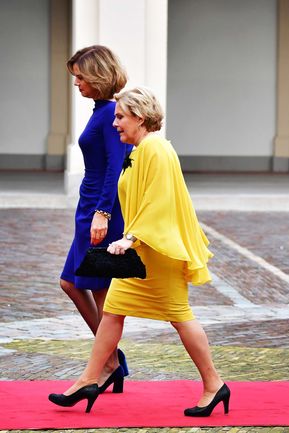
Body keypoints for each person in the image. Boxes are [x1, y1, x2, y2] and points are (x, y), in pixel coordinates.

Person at [48, 87, 228, 417]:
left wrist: (130, 238)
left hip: (159, 253)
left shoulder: (155, 149)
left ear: (139, 118)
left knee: (179, 316)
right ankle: (88, 379)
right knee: (112, 311)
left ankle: (214, 384)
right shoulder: (140, 149)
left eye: (120, 117)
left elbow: (159, 201)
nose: (114, 123)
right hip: (144, 251)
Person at [60, 45, 132, 393]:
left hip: (102, 211)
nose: (76, 83)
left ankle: (109, 365)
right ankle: (112, 360)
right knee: (71, 283)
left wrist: (102, 214)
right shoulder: (101, 110)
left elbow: (116, 167)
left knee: (103, 293)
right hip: (89, 206)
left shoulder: (111, 114)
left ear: (97, 76)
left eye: (80, 76)